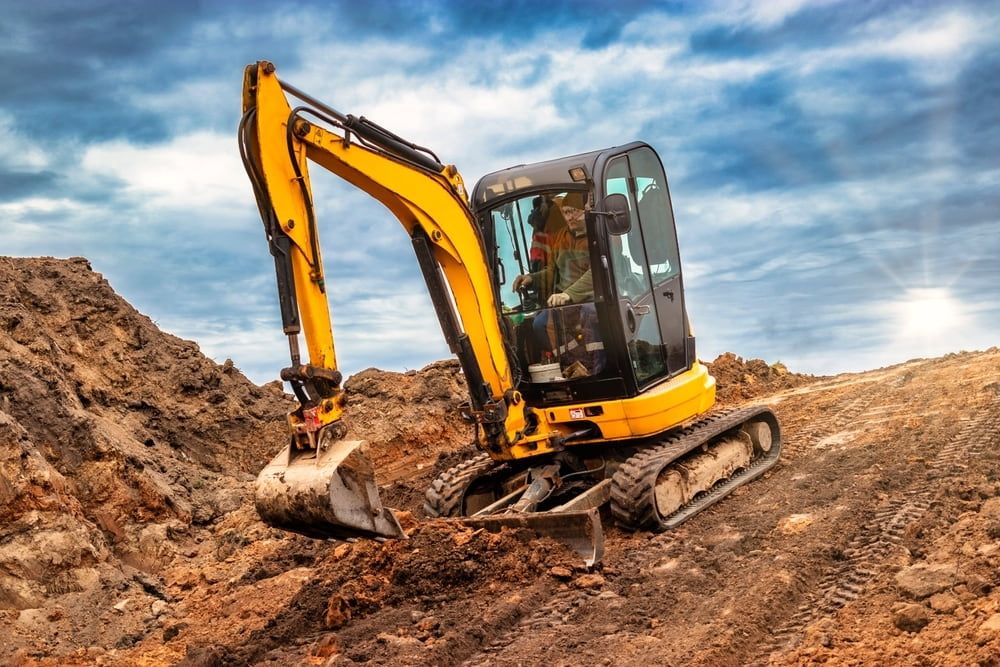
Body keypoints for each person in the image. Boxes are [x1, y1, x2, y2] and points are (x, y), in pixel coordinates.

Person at [513, 198, 605, 376]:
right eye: (566, 212)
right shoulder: (560, 237)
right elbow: (551, 272)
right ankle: (573, 363)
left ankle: (598, 370)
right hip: (566, 301)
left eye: (574, 211)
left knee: (589, 313)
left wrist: (568, 294)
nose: (569, 217)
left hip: (592, 297)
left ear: (586, 210)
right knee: (540, 324)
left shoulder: (599, 234)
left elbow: (596, 272)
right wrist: (531, 278)